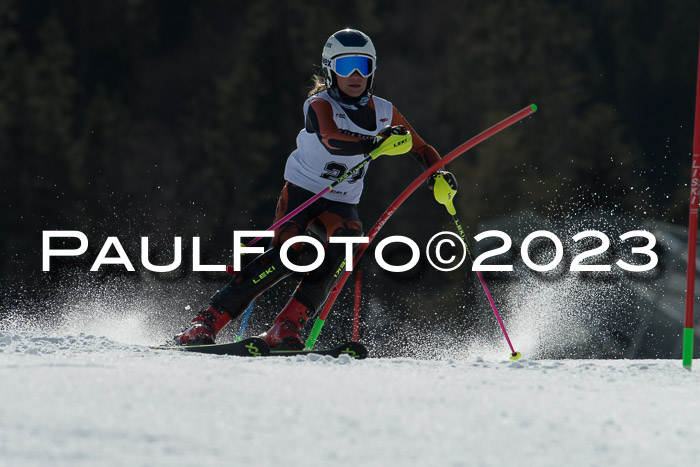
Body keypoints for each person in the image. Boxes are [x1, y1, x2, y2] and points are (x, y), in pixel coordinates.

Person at [175, 28, 458, 349]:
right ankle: (206, 322)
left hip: (341, 201)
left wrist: (439, 176)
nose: (355, 75)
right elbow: (332, 139)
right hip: (303, 193)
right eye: (345, 66)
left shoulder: (383, 111)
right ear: (329, 70)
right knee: (288, 256)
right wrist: (376, 144)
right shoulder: (318, 103)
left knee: (345, 244)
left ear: (373, 71)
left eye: (363, 67)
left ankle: (286, 327)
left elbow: (421, 149)